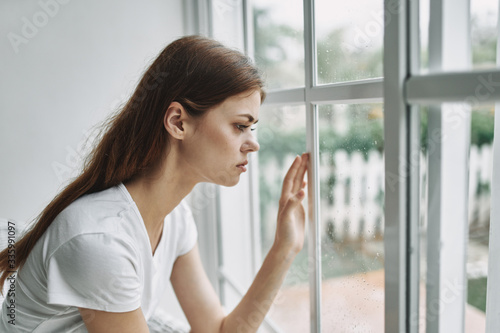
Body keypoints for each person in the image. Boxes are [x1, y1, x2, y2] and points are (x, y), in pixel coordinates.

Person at [0, 35, 309, 333]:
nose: (253, 144)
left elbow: (216, 330)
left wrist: (285, 249)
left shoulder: (176, 219)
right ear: (178, 122)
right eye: (240, 126)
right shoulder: (102, 241)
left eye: (253, 128)